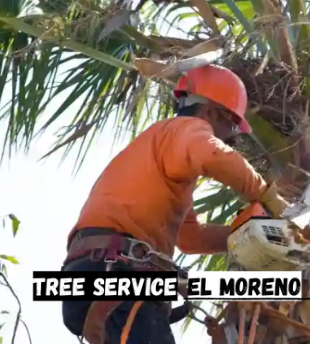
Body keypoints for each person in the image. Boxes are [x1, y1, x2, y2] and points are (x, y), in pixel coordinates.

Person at [61, 64, 290, 344]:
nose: (233, 138)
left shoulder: (162, 162)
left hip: (94, 275)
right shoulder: (184, 129)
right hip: (118, 274)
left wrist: (251, 234)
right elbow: (214, 155)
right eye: (231, 125)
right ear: (209, 112)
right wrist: (267, 196)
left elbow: (191, 239)